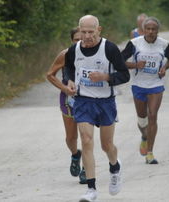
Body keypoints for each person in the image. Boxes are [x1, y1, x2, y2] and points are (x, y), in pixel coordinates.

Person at [64, 15, 130, 202]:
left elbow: (125, 75)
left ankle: (115, 166)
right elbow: (68, 68)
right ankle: (91, 190)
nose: (87, 36)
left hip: (105, 102)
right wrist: (69, 80)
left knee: (106, 145)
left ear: (98, 30)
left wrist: (105, 77)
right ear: (79, 30)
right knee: (85, 140)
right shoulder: (74, 49)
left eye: (90, 32)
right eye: (83, 32)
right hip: (83, 101)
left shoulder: (109, 48)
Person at [121, 17, 169, 164]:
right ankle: (145, 136)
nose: (151, 32)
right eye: (148, 29)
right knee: (142, 118)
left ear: (158, 30)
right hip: (139, 85)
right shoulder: (134, 43)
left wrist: (164, 68)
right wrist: (135, 65)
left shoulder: (163, 44)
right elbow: (120, 61)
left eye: (154, 29)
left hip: (155, 84)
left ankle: (150, 152)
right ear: (143, 30)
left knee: (153, 116)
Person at [46, 27, 86, 184]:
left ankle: (86, 169)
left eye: (82, 39)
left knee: (86, 136)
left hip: (88, 98)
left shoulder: (95, 53)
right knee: (71, 137)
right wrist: (65, 89)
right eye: (76, 40)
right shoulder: (65, 54)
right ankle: (75, 154)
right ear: (72, 41)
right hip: (69, 98)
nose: (80, 42)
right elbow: (50, 75)